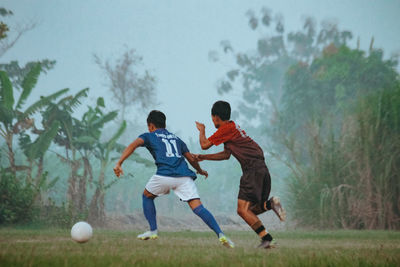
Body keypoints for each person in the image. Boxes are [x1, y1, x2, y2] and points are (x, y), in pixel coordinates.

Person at [113, 110, 234, 248]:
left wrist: (119, 163)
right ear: (164, 124)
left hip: (164, 175)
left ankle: (153, 230)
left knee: (147, 196)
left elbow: (133, 145)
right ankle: (220, 234)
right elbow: (191, 159)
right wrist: (200, 171)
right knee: (198, 207)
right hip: (184, 177)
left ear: (151, 126)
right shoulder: (177, 139)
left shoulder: (149, 136)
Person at [193, 101, 285, 249]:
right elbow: (226, 155)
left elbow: (204, 144)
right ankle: (270, 208)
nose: (212, 121)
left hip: (252, 169)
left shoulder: (225, 129)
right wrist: (204, 157)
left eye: (212, 118)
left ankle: (268, 239)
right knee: (251, 210)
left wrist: (201, 130)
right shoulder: (232, 127)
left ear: (216, 117)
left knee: (242, 210)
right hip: (261, 168)